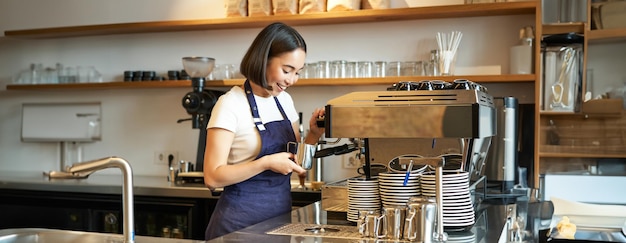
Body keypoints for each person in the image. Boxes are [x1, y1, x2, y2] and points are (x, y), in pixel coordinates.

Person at [203, 22, 325, 240]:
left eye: (297, 72)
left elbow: (296, 162)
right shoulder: (230, 104)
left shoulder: (284, 101)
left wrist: (314, 134)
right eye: (287, 70)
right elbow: (212, 177)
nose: (291, 80)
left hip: (279, 223)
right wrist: (265, 163)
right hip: (237, 227)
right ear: (264, 59)